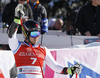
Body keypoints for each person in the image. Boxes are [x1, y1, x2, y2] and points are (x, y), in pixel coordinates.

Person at [7, 9, 82, 78]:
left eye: (38, 33)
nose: (36, 37)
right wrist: (17, 20)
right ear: (26, 34)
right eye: (34, 34)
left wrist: (69, 70)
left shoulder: (43, 49)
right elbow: (11, 35)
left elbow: (55, 66)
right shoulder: (17, 46)